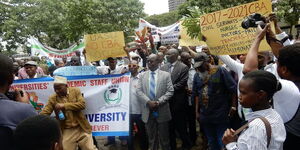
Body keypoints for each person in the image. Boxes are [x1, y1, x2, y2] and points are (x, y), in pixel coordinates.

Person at [222, 70, 286, 150]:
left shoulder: (257, 127)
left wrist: (231, 144)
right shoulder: (275, 115)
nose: (239, 96)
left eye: (243, 93)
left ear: (260, 95)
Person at [192, 52, 237, 150]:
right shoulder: (197, 75)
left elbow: (233, 89)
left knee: (222, 141)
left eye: (200, 65)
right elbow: (196, 95)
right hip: (205, 115)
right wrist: (197, 112)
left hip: (220, 113)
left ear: (207, 61)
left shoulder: (220, 70)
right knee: (212, 141)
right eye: (197, 66)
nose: (199, 68)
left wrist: (233, 106)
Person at [40, 76, 97, 150]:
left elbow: (82, 105)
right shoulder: (53, 98)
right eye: (55, 89)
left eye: (59, 88)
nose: (57, 91)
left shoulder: (75, 91)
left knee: (89, 148)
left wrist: (64, 106)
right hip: (67, 129)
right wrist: (38, 120)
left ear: (66, 86)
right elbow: (46, 112)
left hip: (81, 127)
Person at [136, 54, 174, 150]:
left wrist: (158, 102)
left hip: (162, 110)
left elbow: (170, 91)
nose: (149, 63)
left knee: (164, 139)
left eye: (152, 61)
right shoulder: (142, 75)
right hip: (148, 112)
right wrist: (148, 101)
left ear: (158, 62)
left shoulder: (166, 75)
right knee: (152, 139)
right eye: (148, 61)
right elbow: (138, 91)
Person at [0, 54, 37, 150]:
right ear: (11, 78)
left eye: (31, 68)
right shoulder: (24, 110)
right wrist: (23, 107)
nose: (28, 70)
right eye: (27, 68)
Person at [161, 48, 192, 150]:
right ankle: (172, 146)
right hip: (166, 103)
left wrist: (169, 90)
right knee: (170, 128)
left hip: (178, 102)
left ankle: (186, 145)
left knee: (181, 127)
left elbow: (182, 83)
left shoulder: (183, 67)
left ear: (174, 55)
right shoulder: (163, 67)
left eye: (168, 54)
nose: (166, 55)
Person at [128, 60, 148, 150]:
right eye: (129, 65)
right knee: (129, 133)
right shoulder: (125, 79)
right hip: (128, 112)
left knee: (142, 132)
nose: (131, 67)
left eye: (134, 65)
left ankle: (144, 147)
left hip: (140, 111)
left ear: (138, 67)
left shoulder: (142, 78)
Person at [180, 52, 197, 145]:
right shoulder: (180, 70)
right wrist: (185, 89)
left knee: (192, 120)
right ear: (181, 59)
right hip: (183, 100)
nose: (189, 61)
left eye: (190, 58)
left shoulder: (195, 69)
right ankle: (186, 141)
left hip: (194, 99)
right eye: (186, 59)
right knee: (183, 121)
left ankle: (194, 139)